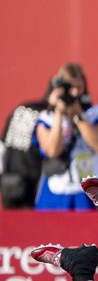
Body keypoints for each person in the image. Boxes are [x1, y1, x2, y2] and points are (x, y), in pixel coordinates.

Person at [33, 63, 98, 210]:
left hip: (94, 191)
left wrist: (78, 115)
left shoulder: (97, 114)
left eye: (78, 87)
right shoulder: (47, 118)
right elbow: (53, 151)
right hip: (57, 191)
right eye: (69, 87)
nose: (74, 93)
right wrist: (59, 114)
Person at [0, 81, 50, 209]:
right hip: (32, 184)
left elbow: (2, 145)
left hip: (9, 181)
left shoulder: (21, 108)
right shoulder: (46, 116)